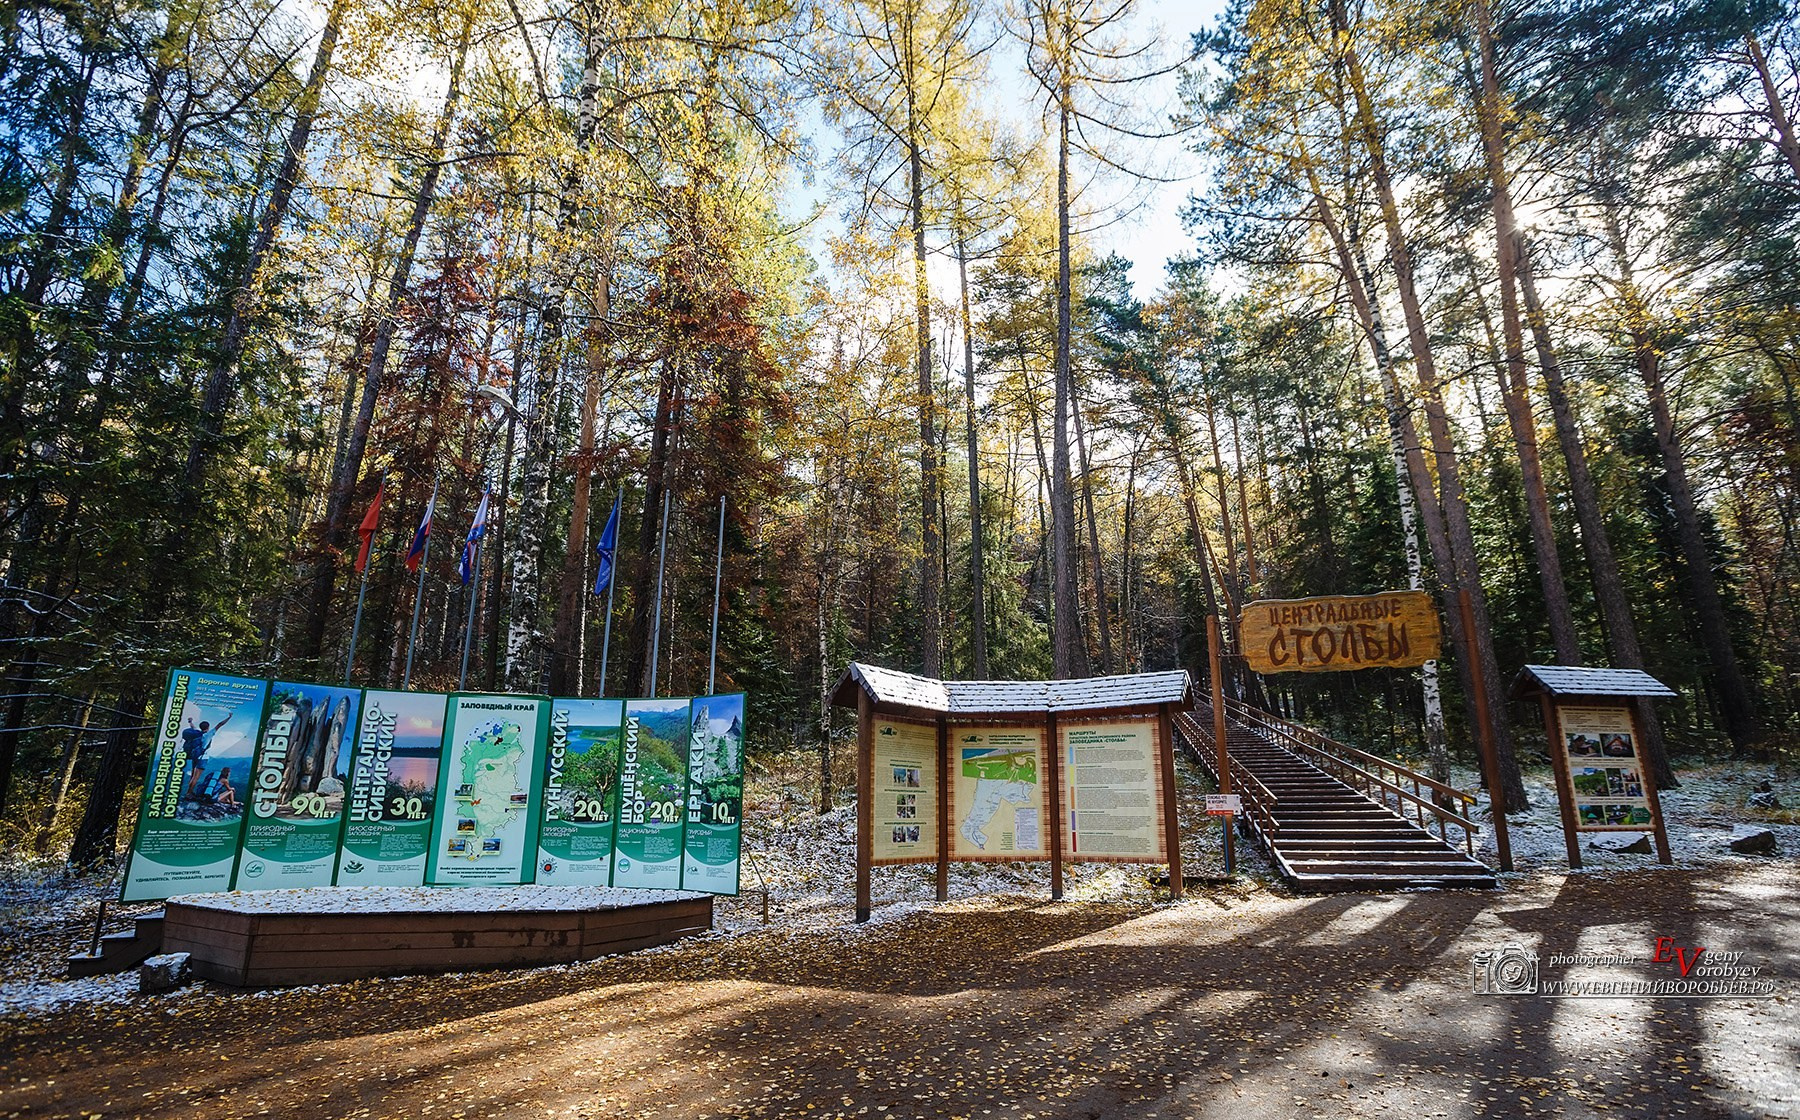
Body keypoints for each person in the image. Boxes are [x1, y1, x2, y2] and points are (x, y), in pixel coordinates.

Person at [181, 712, 234, 798]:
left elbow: (193, 727)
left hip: (195, 756)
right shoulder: (208, 734)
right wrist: (229, 718)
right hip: (203, 758)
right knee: (196, 777)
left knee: (193, 775)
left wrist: (190, 721)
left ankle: (189, 792)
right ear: (208, 727)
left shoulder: (197, 733)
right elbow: (220, 724)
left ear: (201, 727)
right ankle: (189, 793)